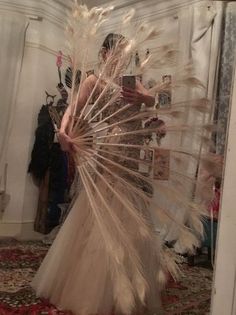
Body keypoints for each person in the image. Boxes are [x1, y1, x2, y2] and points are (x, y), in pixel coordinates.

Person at [32, 33, 164, 315]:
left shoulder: (135, 82)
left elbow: (156, 101)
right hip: (111, 151)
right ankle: (91, 285)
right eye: (117, 53)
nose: (122, 58)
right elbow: (72, 109)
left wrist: (145, 97)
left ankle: (128, 283)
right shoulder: (94, 81)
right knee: (103, 210)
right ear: (104, 54)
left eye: (126, 54)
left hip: (133, 151)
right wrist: (63, 133)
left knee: (131, 212)